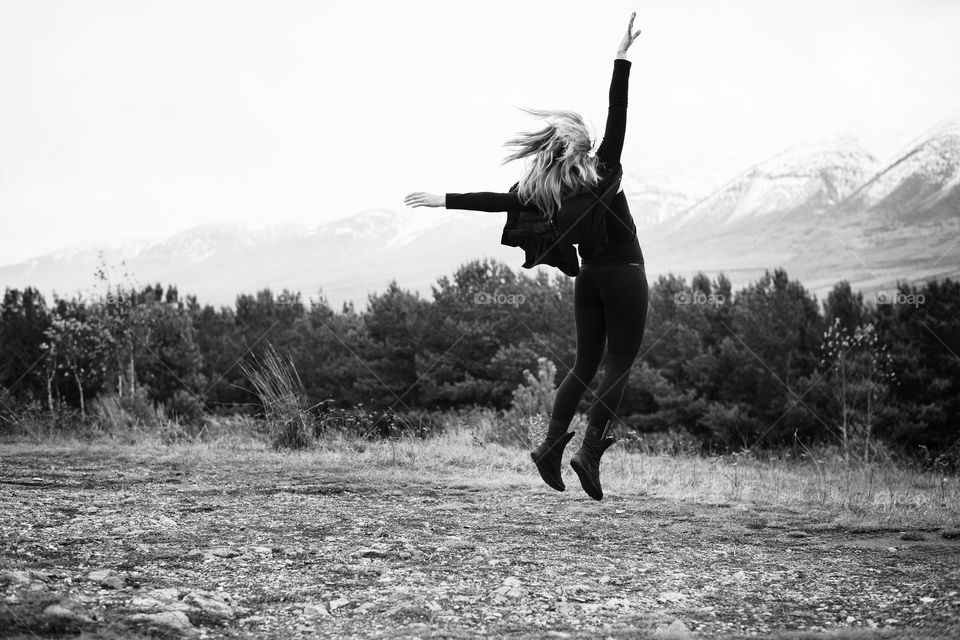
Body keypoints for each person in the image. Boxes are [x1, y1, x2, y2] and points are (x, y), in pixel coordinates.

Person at [404, 13, 647, 501]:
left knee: (583, 364)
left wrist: (443, 199)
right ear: (580, 144)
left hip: (589, 281)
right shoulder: (604, 170)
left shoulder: (547, 192)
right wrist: (621, 59)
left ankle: (551, 447)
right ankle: (589, 454)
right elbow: (617, 110)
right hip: (625, 275)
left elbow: (496, 199)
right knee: (619, 361)